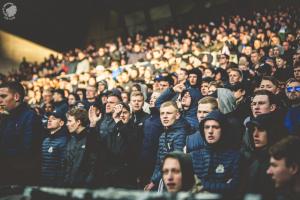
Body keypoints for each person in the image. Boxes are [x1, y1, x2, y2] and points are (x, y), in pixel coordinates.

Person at [0, 81, 43, 185]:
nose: (0, 100)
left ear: (16, 97)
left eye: (3, 96)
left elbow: (27, 150)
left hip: (21, 178)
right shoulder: (7, 117)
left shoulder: (30, 117)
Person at [189, 110, 241, 195]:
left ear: (223, 129)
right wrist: (223, 186)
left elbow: (235, 187)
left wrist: (200, 184)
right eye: (207, 127)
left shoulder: (235, 157)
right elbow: (186, 185)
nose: (210, 131)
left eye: (215, 127)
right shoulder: (193, 156)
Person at [145, 101, 187, 191]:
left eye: (169, 113)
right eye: (162, 113)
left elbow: (174, 163)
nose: (164, 116)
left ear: (177, 115)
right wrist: (152, 180)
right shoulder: (163, 135)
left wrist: (154, 181)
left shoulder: (181, 134)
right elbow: (158, 162)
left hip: (172, 181)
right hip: (161, 179)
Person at [244, 112, 287, 199]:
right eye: (253, 130)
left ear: (272, 132)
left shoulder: (281, 160)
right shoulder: (254, 159)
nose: (255, 135)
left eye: (261, 129)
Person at [102, 103, 141, 188]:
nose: (122, 115)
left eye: (125, 113)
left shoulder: (136, 128)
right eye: (119, 113)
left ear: (130, 115)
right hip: (111, 174)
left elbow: (131, 142)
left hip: (126, 175)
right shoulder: (113, 129)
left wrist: (118, 121)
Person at [63, 107, 99, 187]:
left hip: (83, 188)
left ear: (78, 122)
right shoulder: (71, 139)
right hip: (69, 186)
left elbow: (94, 165)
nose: (67, 124)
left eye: (69, 121)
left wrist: (87, 185)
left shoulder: (91, 138)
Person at [41, 109, 68, 186]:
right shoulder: (45, 140)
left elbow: (64, 167)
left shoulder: (64, 141)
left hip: (56, 184)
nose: (49, 121)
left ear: (61, 123)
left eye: (53, 119)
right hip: (43, 181)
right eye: (49, 119)